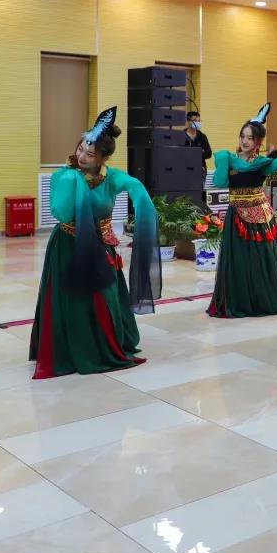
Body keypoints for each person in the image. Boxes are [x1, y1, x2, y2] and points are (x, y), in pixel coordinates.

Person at [30, 107, 161, 379]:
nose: (81, 156)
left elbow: (134, 185)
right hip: (68, 245)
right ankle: (72, 348)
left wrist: (140, 198)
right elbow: (62, 213)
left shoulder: (110, 178)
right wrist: (73, 182)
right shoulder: (65, 175)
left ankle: (106, 343)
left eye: (89, 154)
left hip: (101, 247)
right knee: (74, 300)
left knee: (106, 297)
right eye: (81, 149)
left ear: (103, 158)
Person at [206, 103, 277, 318]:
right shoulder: (229, 159)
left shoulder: (263, 163)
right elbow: (220, 182)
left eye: (250, 138)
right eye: (243, 136)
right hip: (236, 215)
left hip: (260, 216)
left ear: (258, 142)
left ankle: (263, 301)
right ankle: (238, 301)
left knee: (260, 260)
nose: (245, 141)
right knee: (238, 261)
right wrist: (222, 161)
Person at [184, 110, 212, 189]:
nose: (198, 123)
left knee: (199, 192)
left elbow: (208, 153)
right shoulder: (181, 136)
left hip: (200, 170)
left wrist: (193, 153)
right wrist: (200, 151)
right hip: (184, 170)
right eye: (195, 120)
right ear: (188, 122)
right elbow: (180, 154)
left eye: (199, 121)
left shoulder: (202, 136)